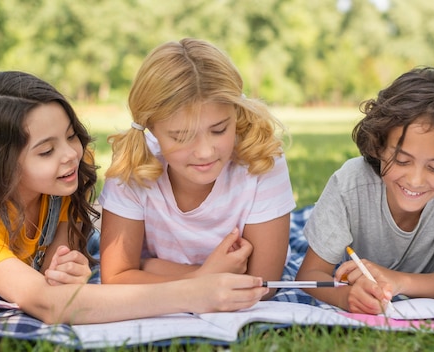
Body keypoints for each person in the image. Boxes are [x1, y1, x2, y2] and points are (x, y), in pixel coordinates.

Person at [0, 71, 268, 324]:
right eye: (46, 151)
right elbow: (48, 304)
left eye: (70, 135)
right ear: (0, 166)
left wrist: (67, 267)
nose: (71, 154)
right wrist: (192, 293)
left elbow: (57, 271)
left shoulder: (65, 177)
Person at [99, 38, 296, 300]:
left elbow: (262, 284)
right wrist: (202, 277)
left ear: (236, 113)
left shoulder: (260, 159)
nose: (204, 152)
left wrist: (149, 268)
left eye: (219, 130)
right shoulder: (135, 165)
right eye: (181, 136)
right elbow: (115, 279)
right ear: (151, 127)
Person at [295, 67, 434, 314]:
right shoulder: (349, 184)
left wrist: (398, 280)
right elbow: (309, 275)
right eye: (402, 161)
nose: (415, 180)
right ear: (379, 145)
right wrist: (345, 296)